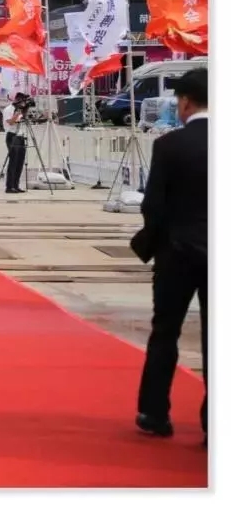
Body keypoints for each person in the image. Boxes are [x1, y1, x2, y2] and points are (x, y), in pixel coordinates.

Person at [135, 69, 207, 442]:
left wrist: (151, 242)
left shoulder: (169, 145)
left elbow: (153, 205)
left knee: (165, 331)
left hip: (176, 252)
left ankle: (154, 411)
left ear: (186, 102)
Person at [1, 93, 27, 193]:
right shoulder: (8, 109)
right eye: (22, 101)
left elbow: (23, 120)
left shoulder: (21, 109)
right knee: (13, 161)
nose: (23, 103)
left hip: (21, 136)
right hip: (12, 136)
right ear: (17, 100)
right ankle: (9, 186)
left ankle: (16, 185)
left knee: (20, 161)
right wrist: (17, 112)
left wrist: (24, 111)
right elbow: (11, 122)